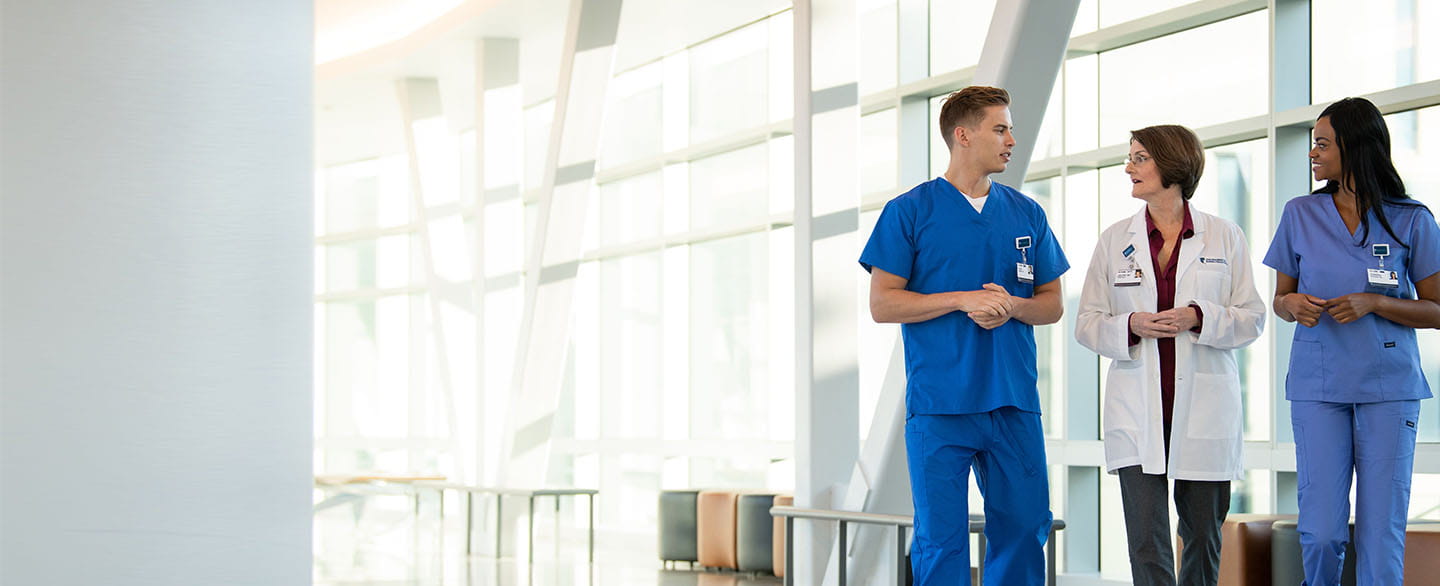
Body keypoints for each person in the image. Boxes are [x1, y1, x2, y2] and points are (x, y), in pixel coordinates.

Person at [859, 85, 1067, 585]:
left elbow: (1052, 304)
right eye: (1000, 129)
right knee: (939, 538)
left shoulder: (1027, 213)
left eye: (1010, 129)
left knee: (1024, 529)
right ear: (963, 135)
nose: (1011, 140)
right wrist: (961, 299)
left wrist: (1011, 306)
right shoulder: (909, 211)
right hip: (940, 404)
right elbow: (883, 304)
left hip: (1012, 400)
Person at [1075, 125, 1265, 586]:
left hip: (1203, 410)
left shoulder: (1224, 236)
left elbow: (1253, 318)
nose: (1129, 168)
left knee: (1202, 537)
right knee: (1146, 542)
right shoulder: (1114, 239)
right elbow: (1087, 323)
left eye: (1140, 158)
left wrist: (1199, 316)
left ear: (1172, 164)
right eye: (1131, 158)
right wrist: (1130, 325)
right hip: (1137, 411)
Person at [1263, 97, 1440, 585]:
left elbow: (1436, 309)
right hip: (1319, 385)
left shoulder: (1412, 219)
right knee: (1321, 532)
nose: (1312, 153)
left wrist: (1376, 302)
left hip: (1389, 389)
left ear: (1356, 147)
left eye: (1322, 144)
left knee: (1380, 535)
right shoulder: (1300, 213)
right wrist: (1291, 304)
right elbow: (1280, 298)